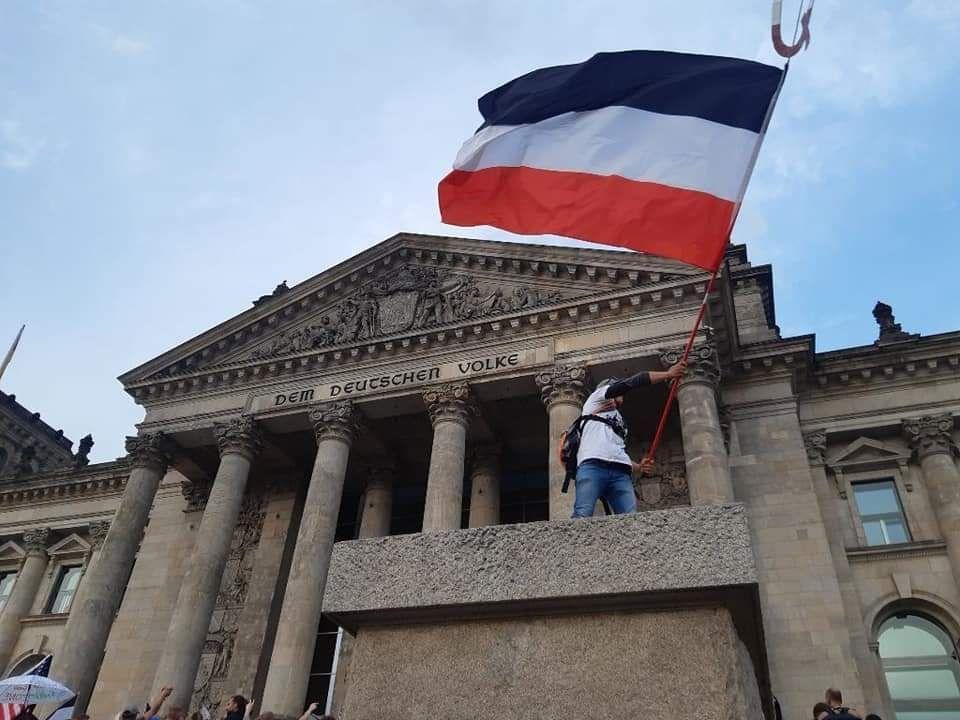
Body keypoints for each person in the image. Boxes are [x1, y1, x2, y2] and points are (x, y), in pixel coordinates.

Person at [572, 360, 687, 518]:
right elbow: (634, 382)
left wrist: (638, 466)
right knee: (582, 513)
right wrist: (668, 374)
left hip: (620, 472)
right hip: (593, 465)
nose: (622, 395)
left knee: (630, 519)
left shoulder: (620, 421)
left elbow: (615, 450)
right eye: (618, 390)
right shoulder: (597, 398)